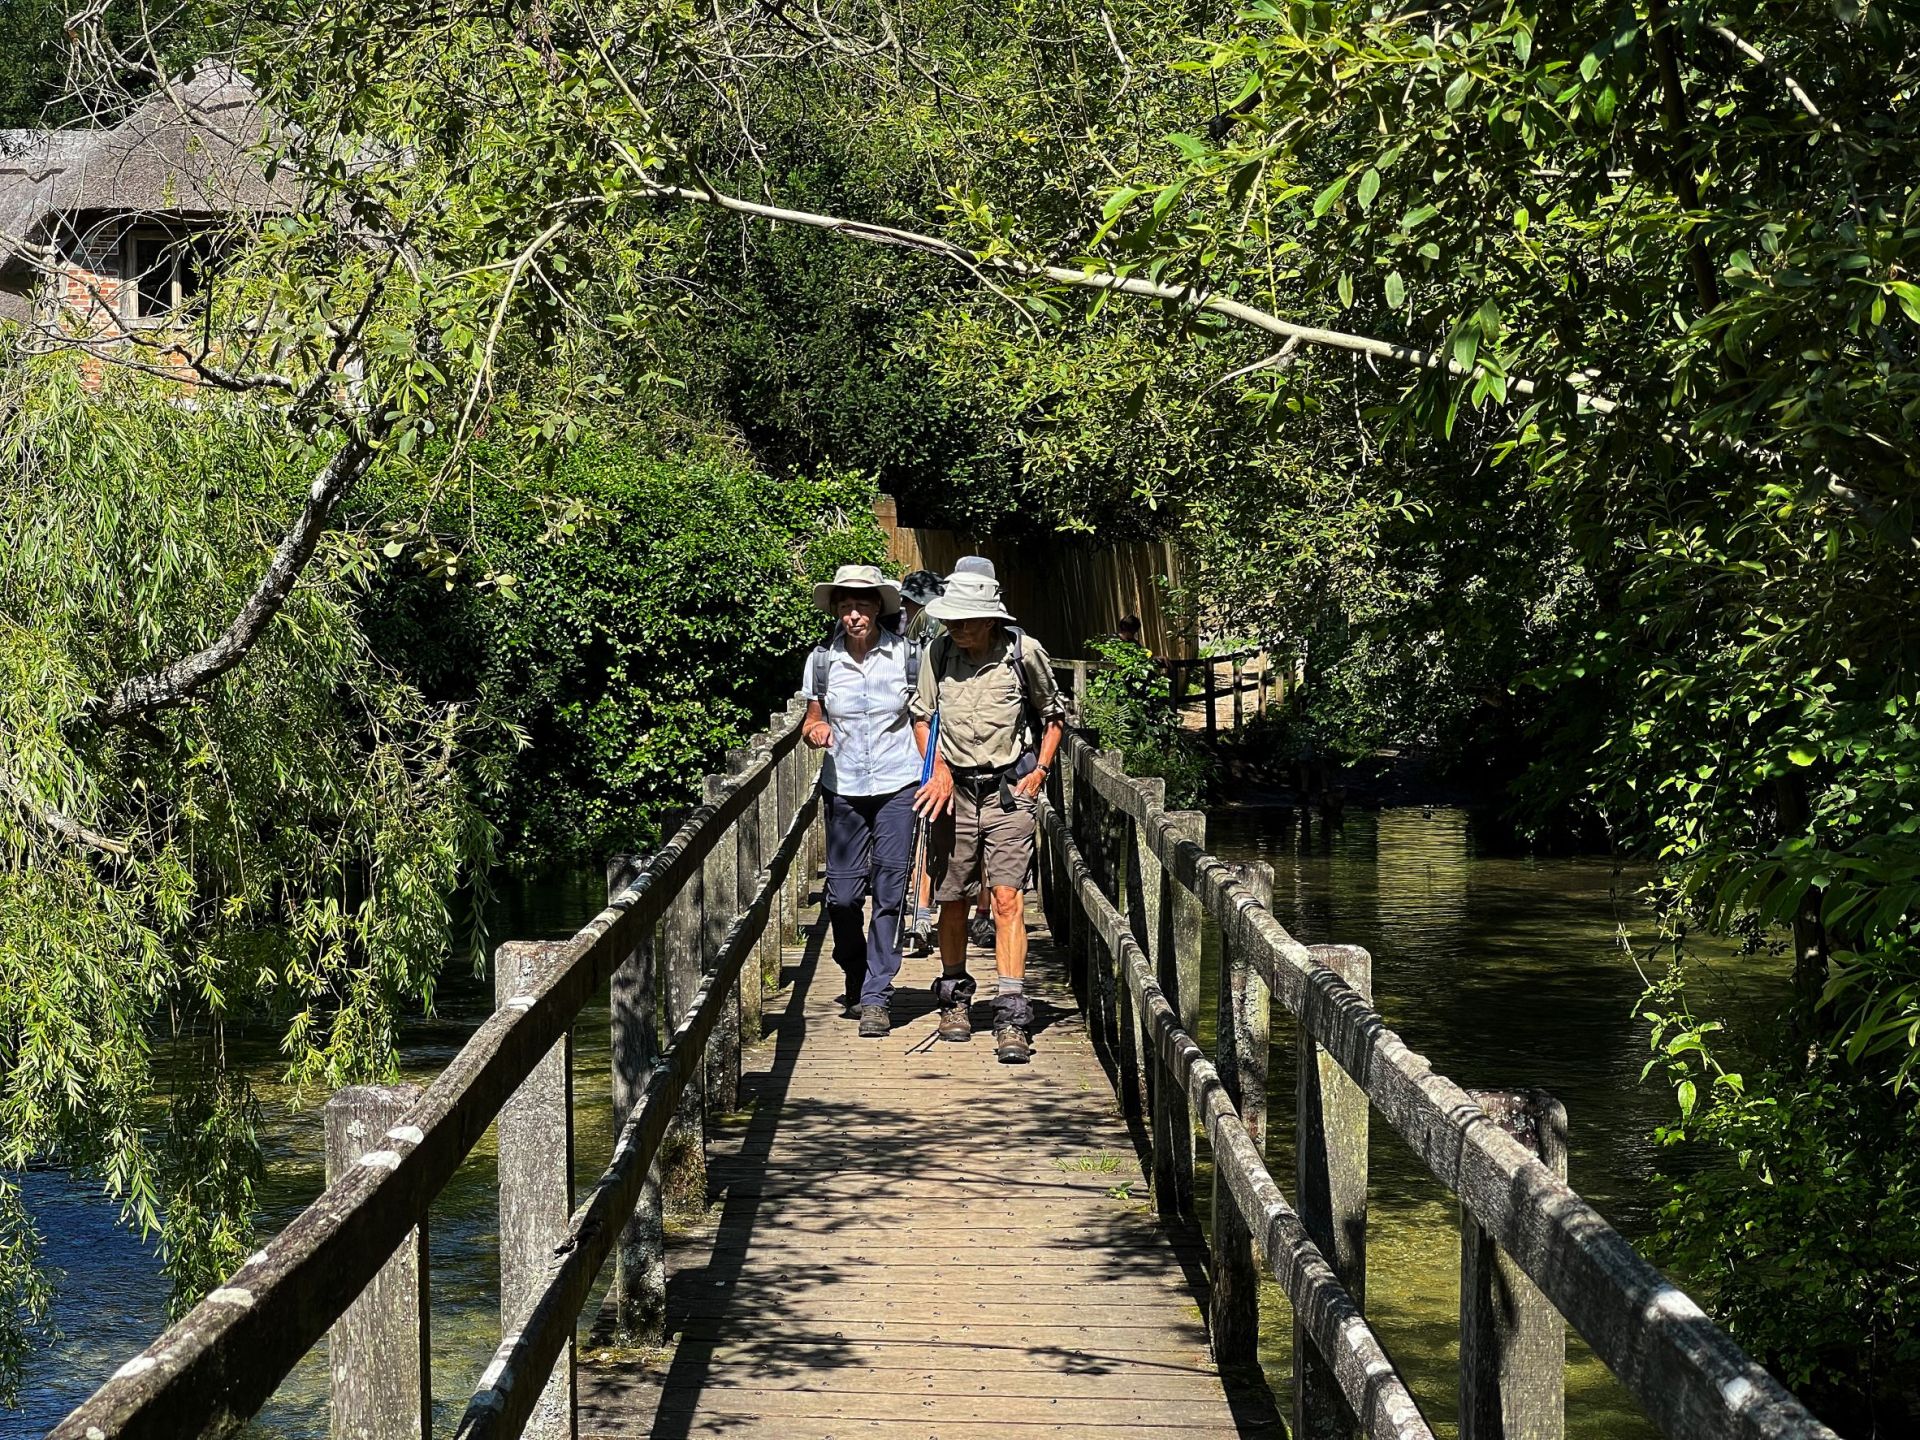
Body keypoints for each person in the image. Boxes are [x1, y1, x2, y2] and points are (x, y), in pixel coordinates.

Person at [910, 569, 1067, 1063]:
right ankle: (955, 997)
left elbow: (1054, 715)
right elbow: (921, 715)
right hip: (951, 791)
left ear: (989, 620)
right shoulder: (937, 653)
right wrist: (934, 767)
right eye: (950, 620)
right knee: (952, 898)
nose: (955, 628)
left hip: (1006, 792)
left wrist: (1039, 771)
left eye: (965, 621)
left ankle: (1011, 1014)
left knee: (1006, 898)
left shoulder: (1024, 653)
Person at [800, 563, 927, 1038]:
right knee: (844, 895)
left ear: (879, 607)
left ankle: (877, 994)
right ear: (835, 609)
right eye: (846, 604)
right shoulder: (820, 662)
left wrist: (935, 776)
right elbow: (813, 717)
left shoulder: (908, 658)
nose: (855, 613)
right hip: (845, 788)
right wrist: (816, 731)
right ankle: (854, 972)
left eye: (863, 603)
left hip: (898, 785)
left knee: (891, 890)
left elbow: (924, 720)